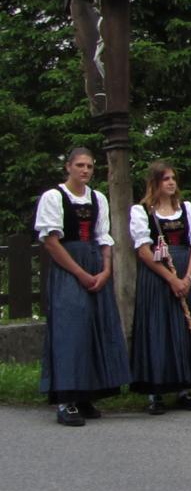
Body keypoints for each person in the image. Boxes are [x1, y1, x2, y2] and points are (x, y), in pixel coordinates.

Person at [35, 147, 131, 426]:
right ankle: (66, 399)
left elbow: (104, 238)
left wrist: (105, 271)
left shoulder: (97, 199)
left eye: (89, 166)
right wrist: (79, 273)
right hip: (69, 268)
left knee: (95, 329)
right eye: (80, 165)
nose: (85, 170)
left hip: (94, 265)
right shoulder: (54, 198)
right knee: (71, 331)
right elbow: (52, 242)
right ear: (68, 167)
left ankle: (87, 393)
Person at [129, 161, 191, 414]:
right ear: (155, 183)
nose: (171, 183)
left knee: (185, 330)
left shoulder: (185, 209)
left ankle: (185, 388)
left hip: (185, 274)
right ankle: (156, 391)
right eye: (165, 179)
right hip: (158, 279)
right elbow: (144, 251)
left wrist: (188, 277)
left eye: (173, 178)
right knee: (158, 330)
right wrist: (171, 279)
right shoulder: (141, 211)